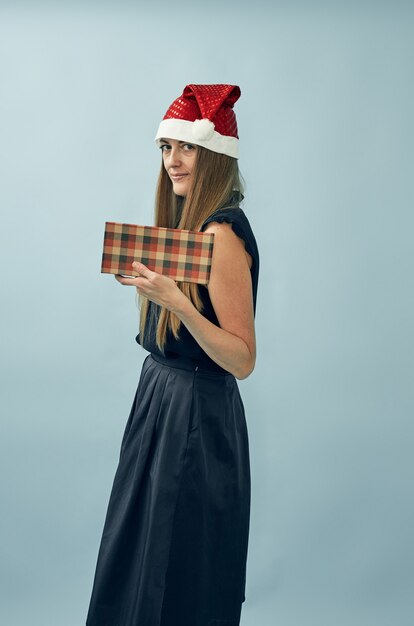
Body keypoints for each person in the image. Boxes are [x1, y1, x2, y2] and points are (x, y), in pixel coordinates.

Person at [86, 84, 260, 626]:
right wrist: (150, 289)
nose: (173, 161)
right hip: (159, 401)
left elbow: (242, 358)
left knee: (179, 562)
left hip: (195, 416)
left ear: (212, 157)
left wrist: (176, 303)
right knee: (139, 554)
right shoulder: (182, 225)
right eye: (165, 148)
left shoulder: (222, 232)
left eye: (185, 148)